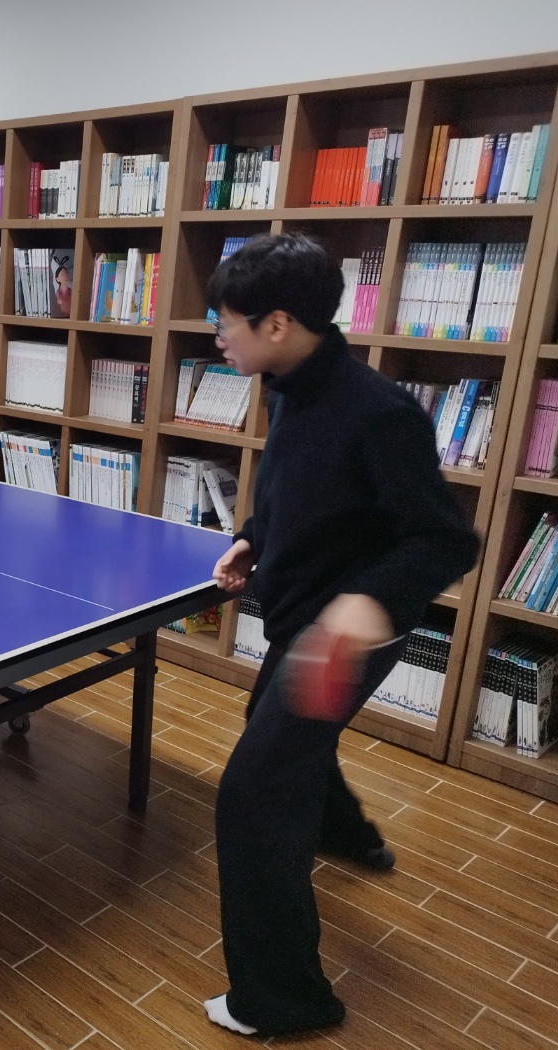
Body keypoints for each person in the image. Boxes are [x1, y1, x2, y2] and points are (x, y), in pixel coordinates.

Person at [202, 234, 478, 1038]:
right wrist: (252, 537)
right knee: (281, 741)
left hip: (348, 635)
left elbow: (444, 540)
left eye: (226, 324)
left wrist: (363, 605)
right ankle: (349, 836)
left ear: (277, 323)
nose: (218, 339)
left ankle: (285, 1001)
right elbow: (295, 488)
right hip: (303, 619)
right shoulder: (287, 383)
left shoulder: (380, 414)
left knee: (253, 797)